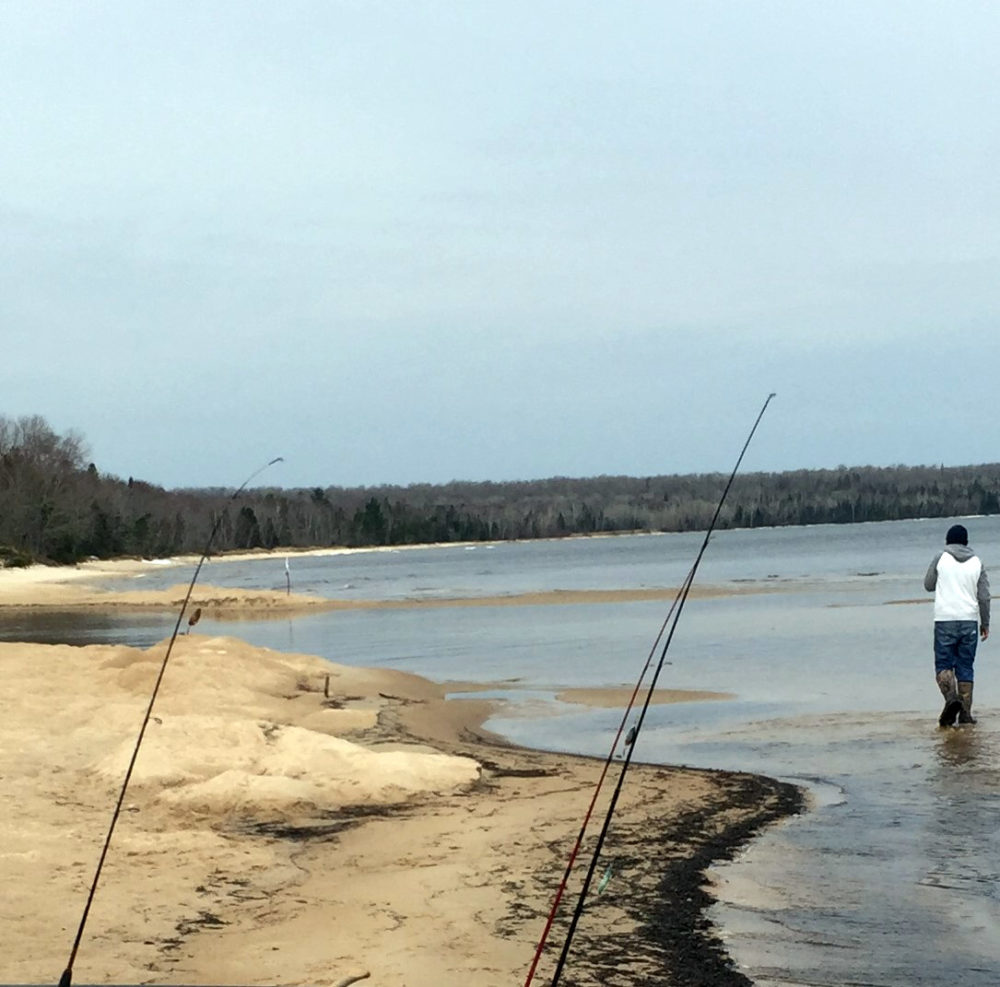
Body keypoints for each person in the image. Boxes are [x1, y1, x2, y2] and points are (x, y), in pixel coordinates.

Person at [924, 524, 990, 726]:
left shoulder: (940, 557)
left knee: (944, 664)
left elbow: (928, 585)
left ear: (947, 540)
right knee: (965, 667)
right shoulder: (977, 562)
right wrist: (985, 623)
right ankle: (966, 714)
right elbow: (984, 597)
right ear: (966, 542)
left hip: (945, 619)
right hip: (969, 620)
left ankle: (951, 699)